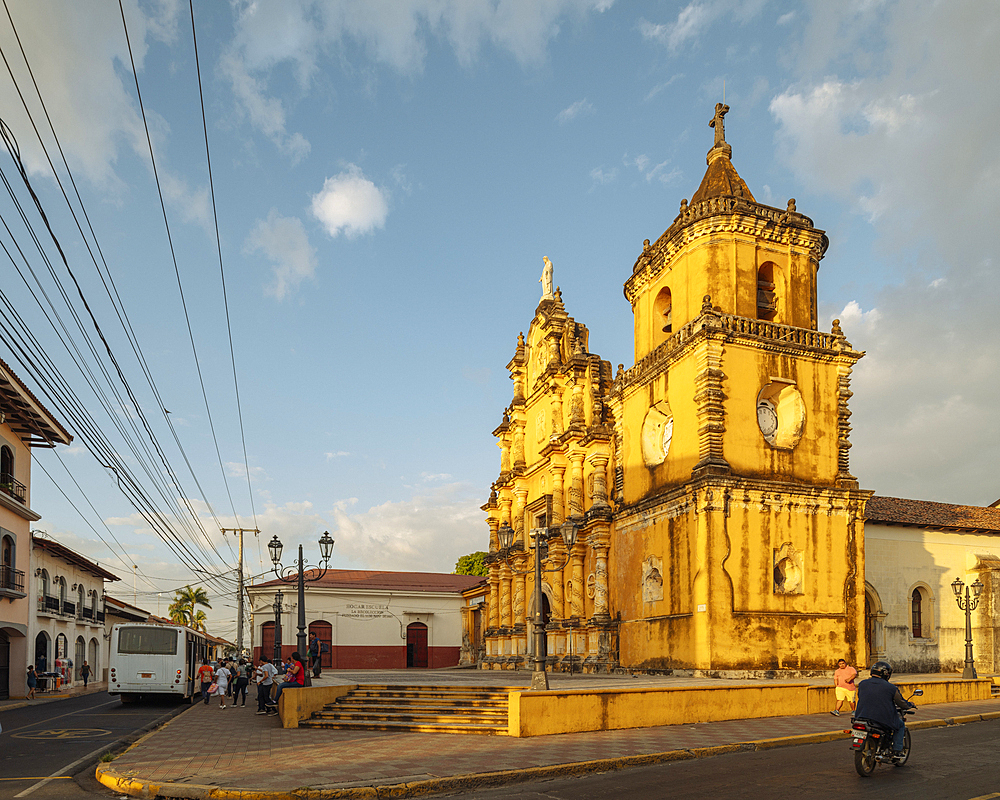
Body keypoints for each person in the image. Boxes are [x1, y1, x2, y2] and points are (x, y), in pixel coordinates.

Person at [854, 660, 915, 756]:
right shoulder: (891, 688)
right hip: (882, 718)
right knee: (900, 725)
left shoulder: (862, 684)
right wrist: (910, 705)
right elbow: (901, 703)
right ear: (886, 674)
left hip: (861, 716)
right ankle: (897, 750)